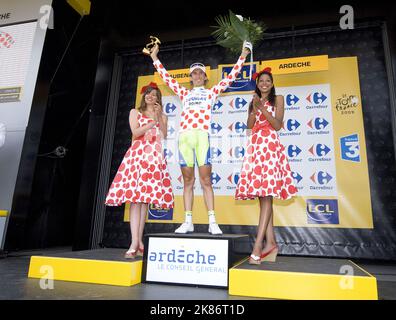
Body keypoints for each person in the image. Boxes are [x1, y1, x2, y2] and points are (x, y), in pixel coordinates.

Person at [149, 41, 251, 235]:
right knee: (188, 181)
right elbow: (167, 78)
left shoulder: (211, 93)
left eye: (200, 73)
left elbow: (230, 78)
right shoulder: (184, 93)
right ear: (190, 77)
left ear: (205, 77)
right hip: (185, 138)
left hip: (202, 137)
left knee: (206, 181)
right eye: (193, 73)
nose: (196, 75)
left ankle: (213, 221)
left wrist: (243, 56)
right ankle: (188, 221)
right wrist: (154, 58)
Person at [235, 67, 297, 264]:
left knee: (267, 196)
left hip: (270, 146)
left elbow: (278, 125)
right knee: (262, 198)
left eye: (267, 81)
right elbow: (249, 126)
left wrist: (263, 109)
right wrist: (254, 109)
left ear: (271, 83)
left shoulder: (278, 99)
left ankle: (257, 246)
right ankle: (271, 243)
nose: (264, 83)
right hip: (256, 147)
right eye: (261, 80)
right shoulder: (253, 101)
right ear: (257, 83)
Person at [105, 83, 174, 258]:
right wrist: (152, 124)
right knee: (135, 201)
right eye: (148, 94)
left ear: (159, 98)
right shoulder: (135, 112)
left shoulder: (162, 115)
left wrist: (159, 117)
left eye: (154, 94)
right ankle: (134, 242)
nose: (151, 96)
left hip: (153, 158)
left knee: (144, 201)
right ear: (144, 96)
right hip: (137, 156)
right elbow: (135, 132)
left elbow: (164, 135)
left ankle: (139, 241)